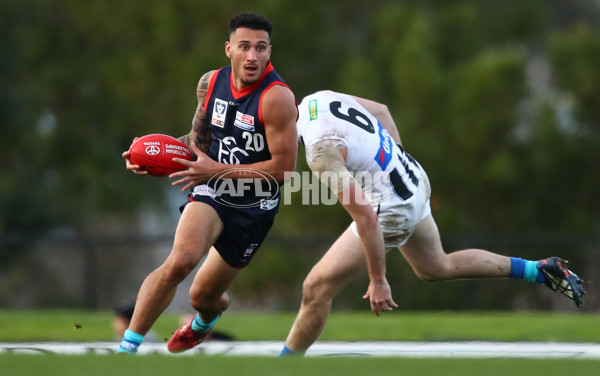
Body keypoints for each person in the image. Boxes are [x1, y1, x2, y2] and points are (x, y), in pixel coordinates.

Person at [280, 90, 585, 356]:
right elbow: (382, 111)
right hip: (413, 178)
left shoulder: (320, 152)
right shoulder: (318, 99)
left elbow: (367, 219)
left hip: (391, 209)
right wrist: (396, 160)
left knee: (316, 287)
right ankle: (538, 269)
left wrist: (378, 279)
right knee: (436, 267)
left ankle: (283, 367)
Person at [119, 12, 297, 354]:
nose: (252, 56)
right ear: (228, 49)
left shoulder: (276, 98)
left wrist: (214, 170)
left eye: (261, 48)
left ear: (269, 52)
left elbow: (284, 170)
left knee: (203, 296)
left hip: (255, 204)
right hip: (213, 189)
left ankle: (203, 323)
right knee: (180, 261)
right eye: (244, 47)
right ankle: (127, 350)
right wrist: (150, 155)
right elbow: (197, 141)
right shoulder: (210, 83)